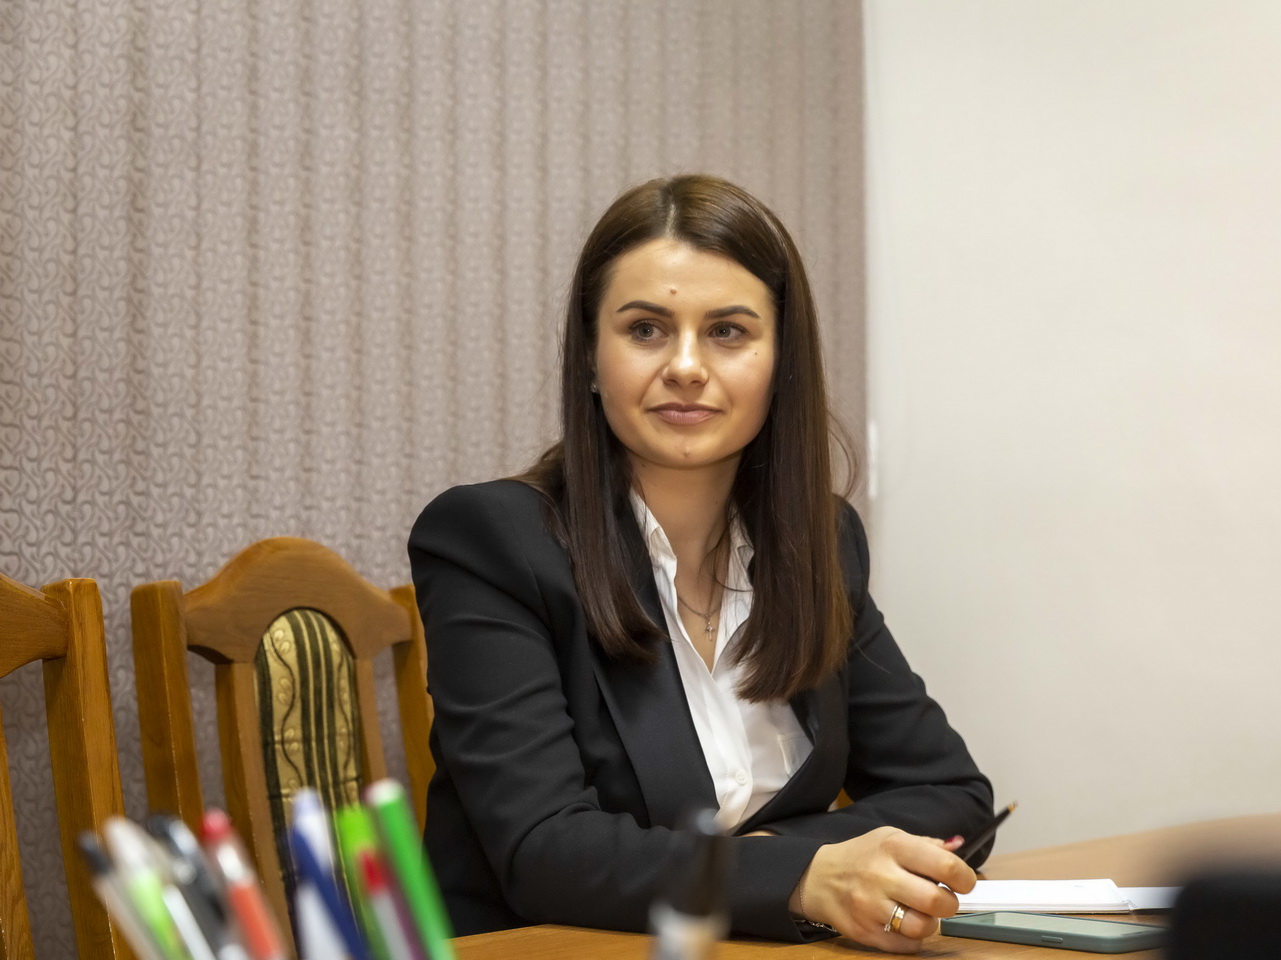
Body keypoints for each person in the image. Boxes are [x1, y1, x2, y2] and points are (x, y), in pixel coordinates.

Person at [409, 174, 994, 952]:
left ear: (782, 363)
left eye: (727, 331)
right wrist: (799, 874)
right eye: (646, 329)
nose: (686, 365)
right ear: (591, 358)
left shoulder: (821, 540)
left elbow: (953, 796)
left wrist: (770, 863)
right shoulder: (493, 540)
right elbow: (544, 849)